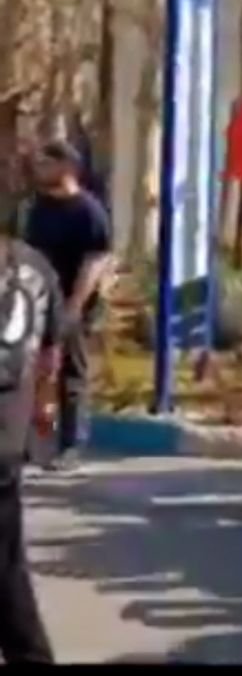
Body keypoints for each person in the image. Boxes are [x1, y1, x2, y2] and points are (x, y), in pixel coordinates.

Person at [22, 141, 112, 472]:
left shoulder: (88, 211)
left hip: (73, 302)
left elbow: (96, 261)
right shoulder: (39, 208)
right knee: (29, 370)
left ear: (67, 168)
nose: (40, 170)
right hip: (37, 301)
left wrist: (75, 305)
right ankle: (27, 443)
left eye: (47, 164)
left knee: (71, 374)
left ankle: (71, 445)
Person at [0, 234, 64, 663]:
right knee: (6, 561)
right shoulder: (35, 264)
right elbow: (50, 350)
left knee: (6, 567)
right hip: (10, 432)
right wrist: (42, 403)